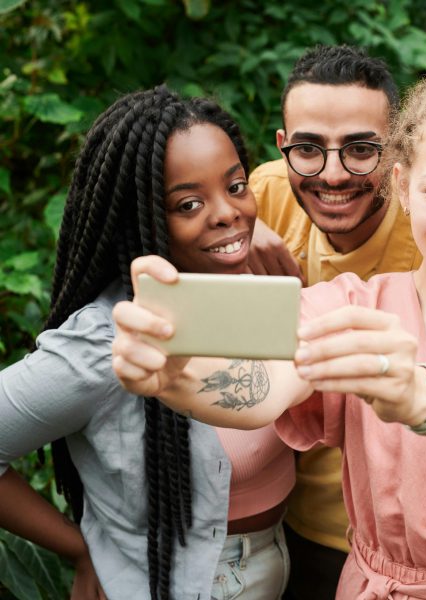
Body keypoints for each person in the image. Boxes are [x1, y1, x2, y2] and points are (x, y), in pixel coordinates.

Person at [112, 44, 426, 598]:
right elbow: (265, 387)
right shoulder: (349, 304)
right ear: (401, 184)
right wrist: (177, 377)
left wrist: (418, 393)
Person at [0, 87, 294, 600]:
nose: (228, 213)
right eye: (188, 203)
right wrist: (78, 548)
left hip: (277, 559)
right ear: (141, 219)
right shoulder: (106, 341)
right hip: (181, 581)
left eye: (237, 187)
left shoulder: (260, 288)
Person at [246, 45, 422, 599]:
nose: (332, 174)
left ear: (397, 151)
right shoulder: (264, 196)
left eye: (361, 149)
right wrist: (232, 236)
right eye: (308, 149)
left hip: (405, 540)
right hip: (286, 520)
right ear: (283, 147)